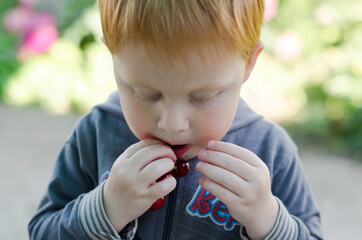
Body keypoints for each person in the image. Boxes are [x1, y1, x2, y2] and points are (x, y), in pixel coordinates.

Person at [28, 0, 323, 239]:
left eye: (203, 97)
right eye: (146, 94)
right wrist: (106, 208)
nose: (172, 124)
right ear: (113, 55)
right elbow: (42, 231)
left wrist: (268, 220)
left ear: (248, 64)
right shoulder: (97, 131)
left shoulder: (271, 152)